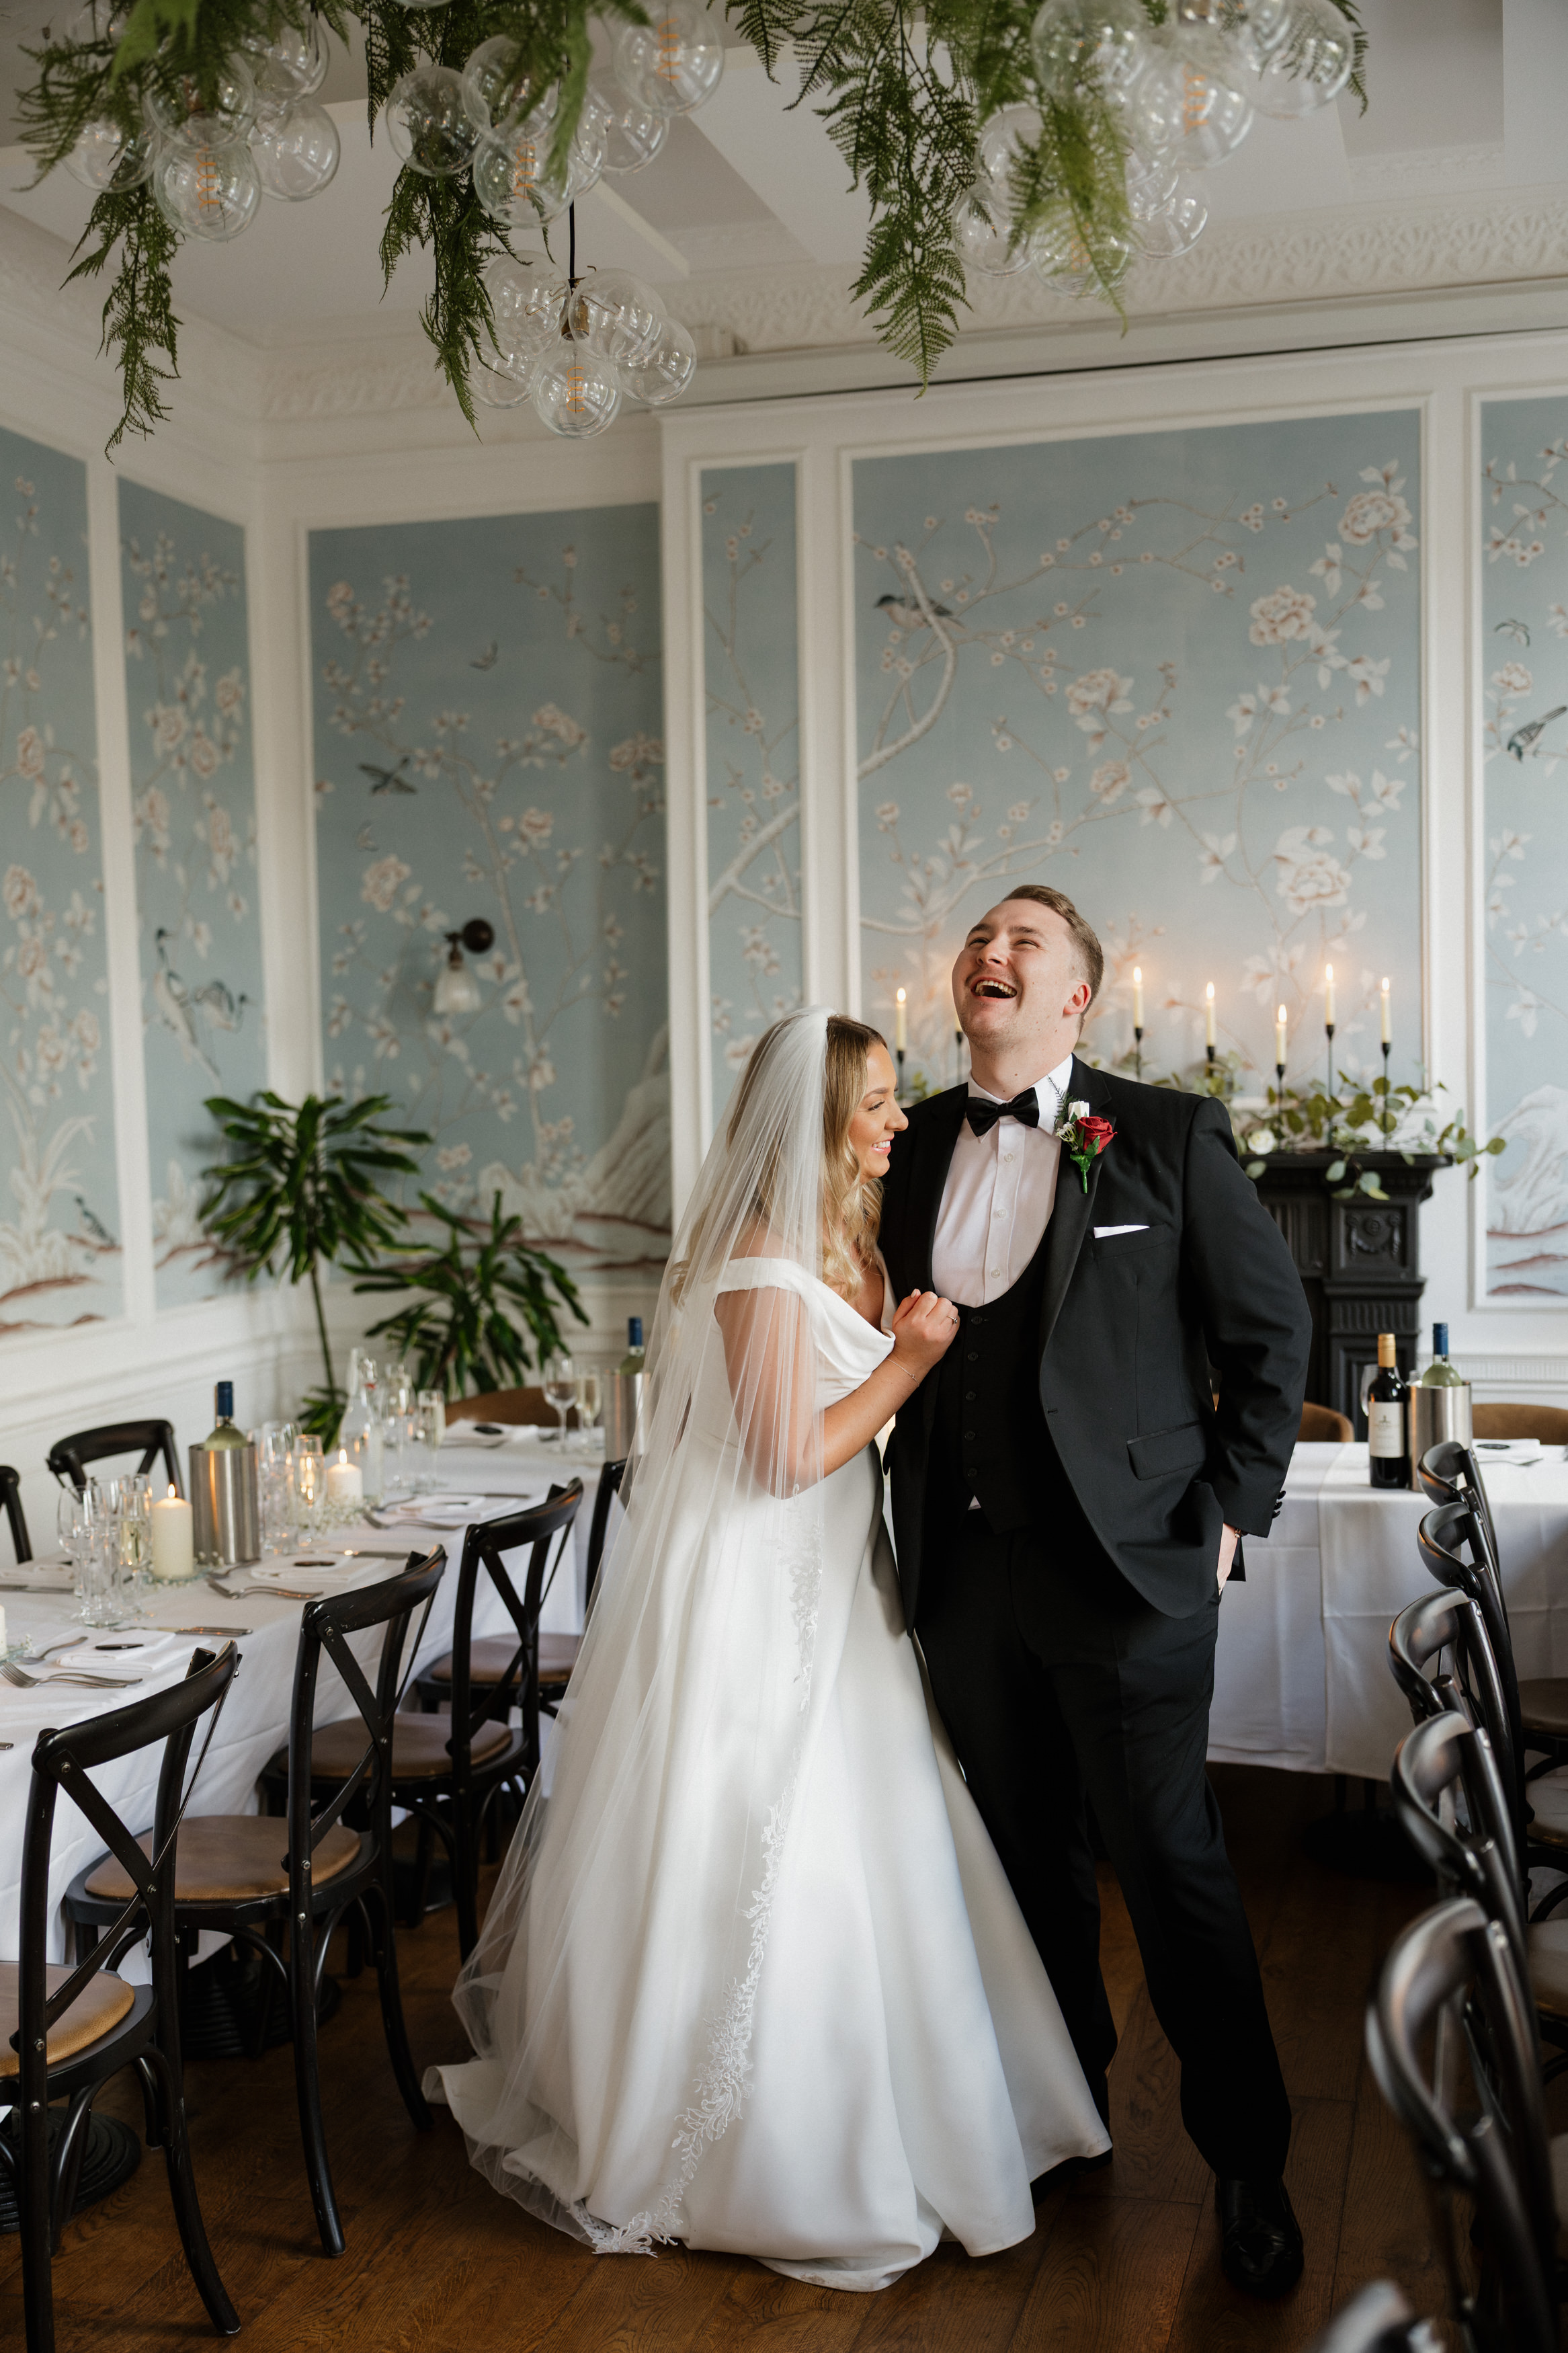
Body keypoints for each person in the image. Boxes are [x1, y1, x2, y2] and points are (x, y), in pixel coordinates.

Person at [428, 1006, 1108, 2290]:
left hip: (844, 1581)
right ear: (814, 1123)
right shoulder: (752, 1260)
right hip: (759, 1577)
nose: (897, 1120)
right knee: (755, 1827)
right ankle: (753, 2146)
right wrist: (907, 1362)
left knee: (884, 1825)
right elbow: (785, 1457)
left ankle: (936, 2108)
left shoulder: (853, 1235)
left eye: (894, 1100)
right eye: (874, 1103)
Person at [877, 886, 1312, 2301]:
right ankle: (1062, 2122)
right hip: (963, 1574)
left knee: (1171, 1867)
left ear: (1077, 996)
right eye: (978, 940)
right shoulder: (912, 1143)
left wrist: (1236, 1510)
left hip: (1130, 1576)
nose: (990, 956)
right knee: (1023, 1869)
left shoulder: (1164, 1133)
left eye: (1026, 944)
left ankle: (1251, 2161)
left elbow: (1271, 1331)